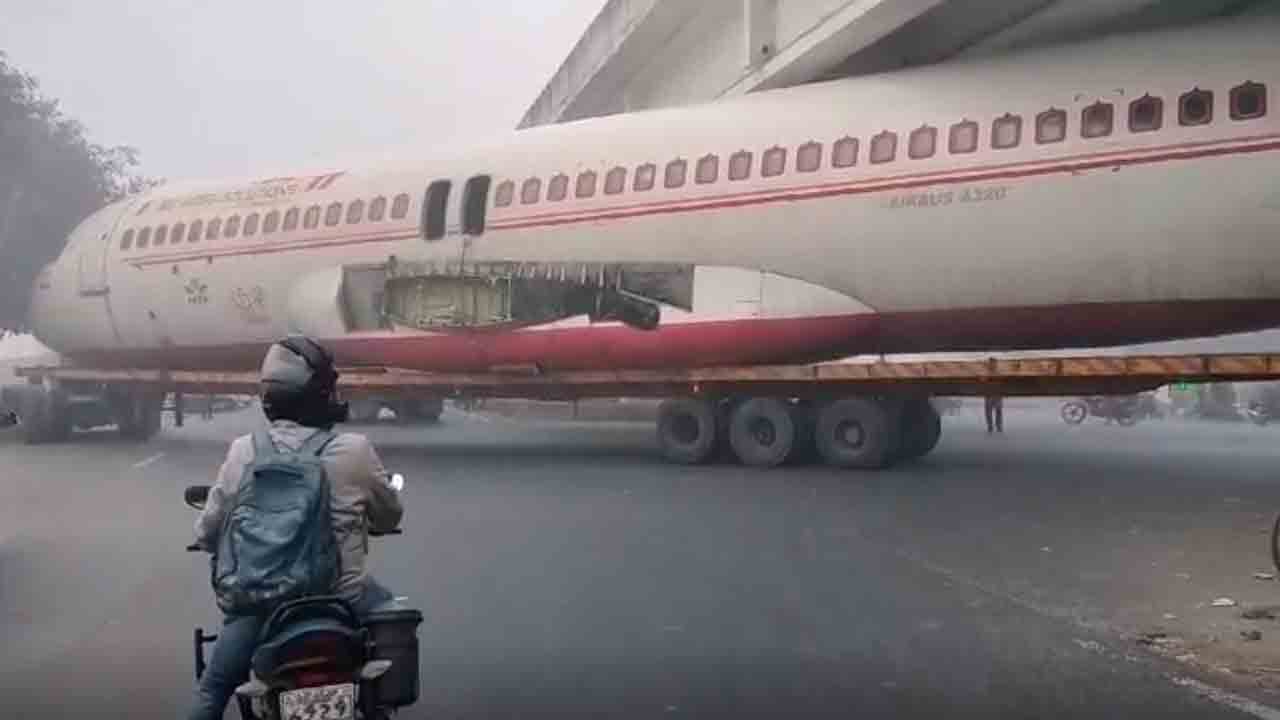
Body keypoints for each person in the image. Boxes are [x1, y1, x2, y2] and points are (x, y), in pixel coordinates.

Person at [187, 336, 404, 720]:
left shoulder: (244, 451)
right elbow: (389, 516)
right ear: (322, 394)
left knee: (214, 689)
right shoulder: (354, 450)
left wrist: (206, 539)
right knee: (393, 619)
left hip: (261, 605)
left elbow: (209, 528)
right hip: (343, 599)